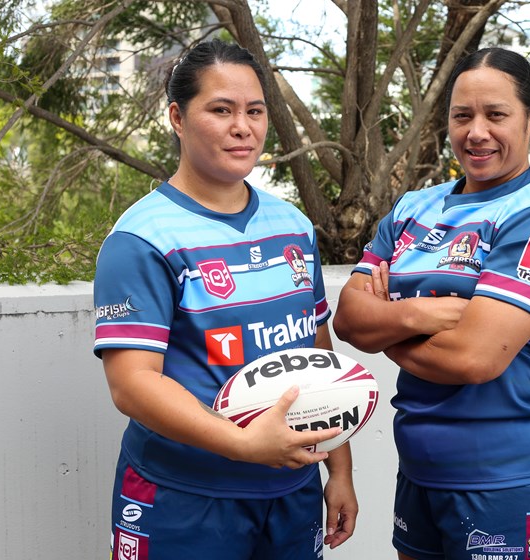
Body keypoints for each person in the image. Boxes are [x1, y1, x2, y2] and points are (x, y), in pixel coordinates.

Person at [93, 39, 357, 560]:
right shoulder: (142, 238)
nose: (243, 127)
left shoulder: (293, 226)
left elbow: (319, 358)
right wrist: (242, 444)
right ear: (177, 116)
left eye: (255, 111)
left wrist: (339, 469)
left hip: (291, 494)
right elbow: (133, 384)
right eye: (221, 109)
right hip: (182, 499)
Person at [333, 47, 530, 560]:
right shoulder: (414, 207)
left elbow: (472, 359)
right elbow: (347, 319)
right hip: (421, 474)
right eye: (462, 115)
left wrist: (384, 331)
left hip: (510, 482)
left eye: (496, 115)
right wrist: (418, 316)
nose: (477, 132)